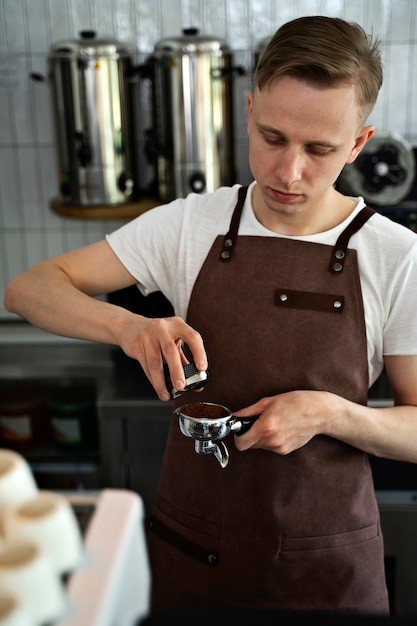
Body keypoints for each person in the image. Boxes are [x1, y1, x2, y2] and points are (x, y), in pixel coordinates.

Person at [4, 14, 417, 615]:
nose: (288, 171)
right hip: (194, 559)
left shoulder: (396, 256)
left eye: (319, 149)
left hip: (324, 574)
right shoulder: (192, 225)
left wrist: (329, 414)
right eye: (272, 137)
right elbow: (29, 287)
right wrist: (129, 326)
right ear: (248, 111)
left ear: (357, 143)